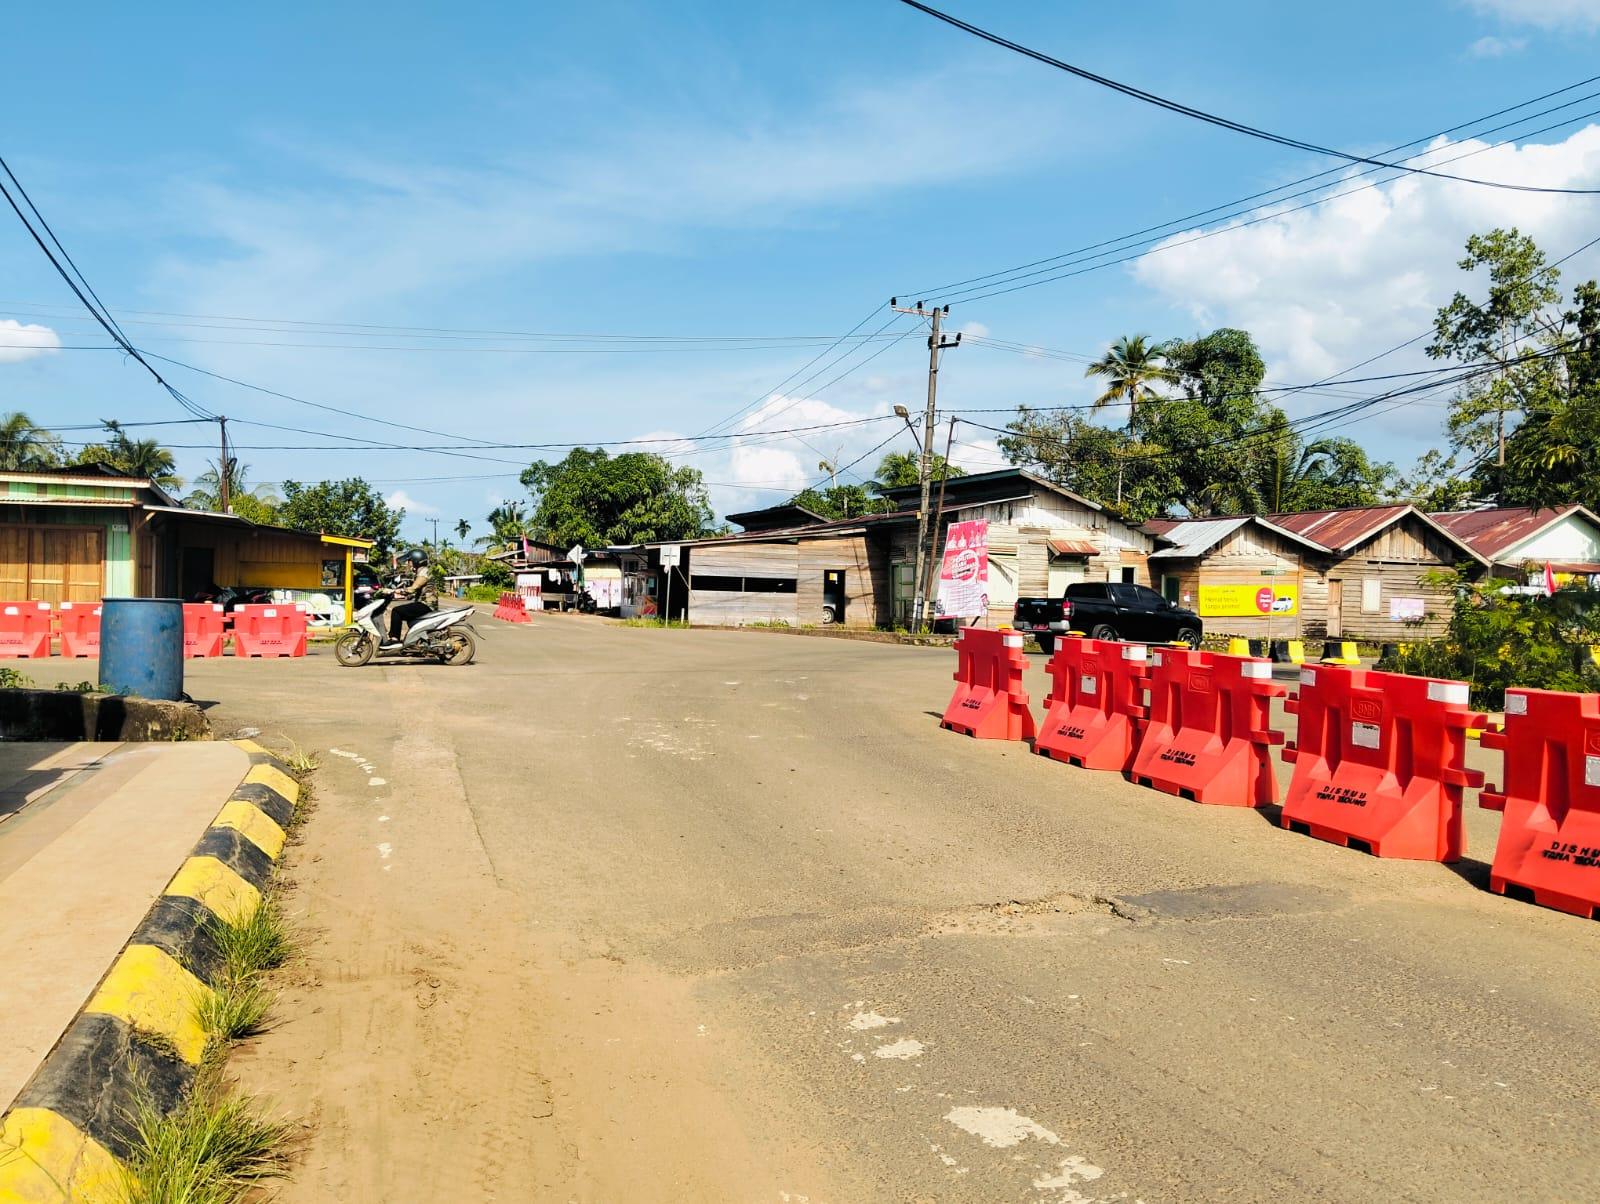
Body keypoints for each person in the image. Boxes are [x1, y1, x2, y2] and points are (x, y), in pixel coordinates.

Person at [385, 549, 437, 648]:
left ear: (416, 561)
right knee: (405, 614)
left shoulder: (424, 572)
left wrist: (396, 591)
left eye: (409, 561)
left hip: (426, 605)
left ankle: (394, 639)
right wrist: (399, 594)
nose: (408, 564)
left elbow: (414, 588)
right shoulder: (420, 572)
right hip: (423, 604)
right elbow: (415, 592)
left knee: (397, 611)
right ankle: (412, 642)